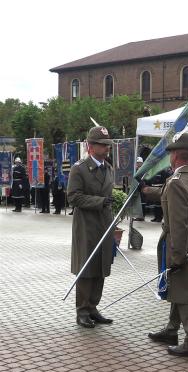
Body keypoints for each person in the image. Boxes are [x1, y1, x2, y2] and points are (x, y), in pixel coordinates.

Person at [145, 133, 188, 358]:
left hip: (181, 241)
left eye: (170, 152)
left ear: (177, 155)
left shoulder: (177, 183)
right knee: (179, 287)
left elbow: (178, 224)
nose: (169, 156)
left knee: (185, 294)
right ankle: (171, 330)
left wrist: (177, 255)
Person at [67, 126, 114, 328]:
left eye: (107, 145)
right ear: (90, 146)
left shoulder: (109, 168)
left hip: (104, 224)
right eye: (102, 145)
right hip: (86, 226)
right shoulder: (80, 168)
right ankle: (82, 311)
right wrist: (100, 201)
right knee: (86, 269)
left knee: (101, 267)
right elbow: (73, 197)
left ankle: (93, 307)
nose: (106, 149)